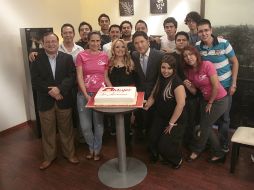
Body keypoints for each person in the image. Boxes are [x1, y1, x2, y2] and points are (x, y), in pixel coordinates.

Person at [30, 32, 79, 170]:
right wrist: (50, 91)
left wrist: (59, 89)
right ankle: (49, 157)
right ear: (43, 44)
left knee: (67, 130)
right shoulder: (36, 59)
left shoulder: (67, 58)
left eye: (53, 41)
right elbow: (35, 81)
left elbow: (71, 77)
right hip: (45, 101)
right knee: (48, 131)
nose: (51, 44)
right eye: (47, 42)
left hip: (63, 99)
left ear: (58, 42)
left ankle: (70, 154)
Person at [196, 19, 239, 152]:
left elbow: (235, 62)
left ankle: (223, 142)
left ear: (211, 30)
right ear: (197, 33)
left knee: (224, 118)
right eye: (200, 31)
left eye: (206, 30)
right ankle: (210, 142)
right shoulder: (197, 46)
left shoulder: (223, 43)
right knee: (207, 118)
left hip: (225, 88)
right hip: (208, 90)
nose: (204, 33)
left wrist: (234, 83)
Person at [182, 45, 228, 163]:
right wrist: (189, 86)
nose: (188, 57)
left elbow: (216, 86)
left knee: (204, 126)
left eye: (190, 54)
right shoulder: (189, 71)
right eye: (185, 56)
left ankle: (196, 150)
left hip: (219, 100)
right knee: (206, 126)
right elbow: (195, 91)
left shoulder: (207, 64)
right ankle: (219, 153)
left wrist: (211, 102)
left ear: (196, 54)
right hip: (205, 100)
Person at [144, 54, 186, 169]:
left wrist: (171, 123)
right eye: (163, 67)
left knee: (164, 145)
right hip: (160, 116)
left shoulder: (177, 83)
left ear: (174, 69)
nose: (165, 71)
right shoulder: (160, 78)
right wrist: (147, 104)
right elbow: (153, 94)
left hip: (175, 119)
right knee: (152, 138)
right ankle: (159, 155)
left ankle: (177, 160)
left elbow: (181, 104)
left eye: (169, 68)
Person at [76, 31, 112, 161]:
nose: (95, 43)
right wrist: (85, 94)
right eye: (93, 41)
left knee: (98, 125)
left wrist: (112, 90)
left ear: (100, 41)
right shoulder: (81, 56)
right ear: (88, 41)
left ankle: (96, 150)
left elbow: (105, 76)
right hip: (83, 95)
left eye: (98, 41)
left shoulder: (104, 56)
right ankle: (91, 147)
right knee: (85, 126)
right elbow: (79, 76)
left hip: (100, 95)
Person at [131, 31, 164, 138]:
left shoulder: (159, 55)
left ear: (148, 41)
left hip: (156, 95)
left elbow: (160, 78)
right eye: (136, 43)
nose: (140, 45)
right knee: (141, 122)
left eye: (142, 41)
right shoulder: (134, 55)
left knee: (155, 125)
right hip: (140, 95)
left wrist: (152, 97)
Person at [108, 39, 136, 144]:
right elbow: (106, 78)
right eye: (117, 47)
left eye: (123, 47)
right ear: (113, 49)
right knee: (115, 122)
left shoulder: (131, 62)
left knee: (126, 122)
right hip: (113, 97)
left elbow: (134, 82)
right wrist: (111, 89)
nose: (120, 49)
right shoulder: (109, 62)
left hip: (127, 98)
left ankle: (126, 145)